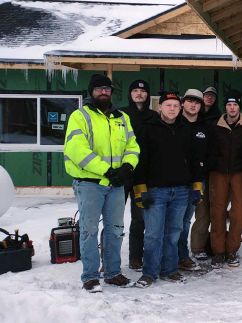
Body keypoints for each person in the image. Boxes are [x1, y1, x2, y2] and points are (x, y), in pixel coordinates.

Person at [65, 74, 140, 292]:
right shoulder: (80, 116)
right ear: (91, 92)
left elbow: (133, 146)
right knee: (89, 230)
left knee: (115, 229)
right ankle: (89, 276)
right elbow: (77, 150)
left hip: (116, 184)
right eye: (99, 88)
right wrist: (106, 170)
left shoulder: (121, 118)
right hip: (90, 183)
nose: (103, 92)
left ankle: (113, 273)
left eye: (107, 88)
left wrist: (127, 167)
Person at [132, 91, 203, 288]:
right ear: (160, 107)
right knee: (153, 234)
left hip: (181, 191)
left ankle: (169, 270)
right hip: (156, 191)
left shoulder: (185, 130)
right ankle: (149, 273)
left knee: (173, 233)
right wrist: (140, 189)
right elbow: (140, 161)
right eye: (168, 105)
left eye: (175, 105)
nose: (172, 109)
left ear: (180, 108)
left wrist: (197, 186)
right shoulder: (148, 129)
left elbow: (195, 161)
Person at [207, 90, 242, 268]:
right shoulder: (215, 125)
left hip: (239, 173)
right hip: (218, 173)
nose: (232, 108)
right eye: (228, 104)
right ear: (225, 107)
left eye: (235, 105)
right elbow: (209, 149)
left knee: (239, 212)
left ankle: (232, 250)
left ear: (239, 107)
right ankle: (218, 251)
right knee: (217, 211)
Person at [120, 79, 157, 272]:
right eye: (135, 90)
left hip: (143, 177)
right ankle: (108, 260)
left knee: (139, 219)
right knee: (114, 220)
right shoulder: (120, 115)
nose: (139, 94)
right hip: (122, 174)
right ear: (130, 94)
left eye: (142, 91)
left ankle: (136, 257)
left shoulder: (154, 117)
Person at [177, 89, 212, 271]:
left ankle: (182, 256)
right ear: (183, 103)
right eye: (190, 101)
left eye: (197, 102)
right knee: (173, 222)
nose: (193, 105)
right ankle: (171, 256)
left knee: (186, 220)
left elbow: (209, 155)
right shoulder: (174, 123)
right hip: (175, 181)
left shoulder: (204, 127)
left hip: (196, 182)